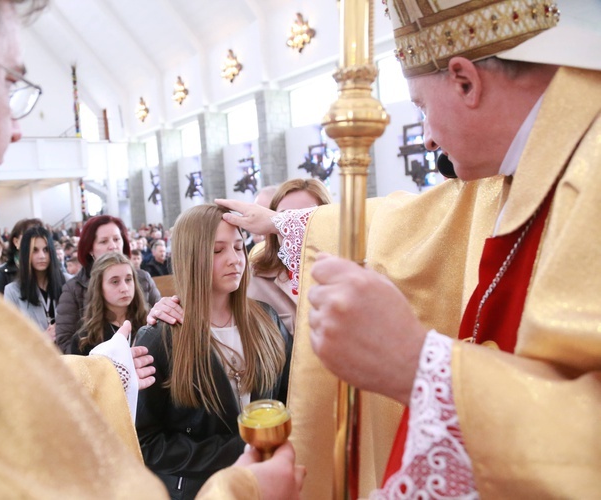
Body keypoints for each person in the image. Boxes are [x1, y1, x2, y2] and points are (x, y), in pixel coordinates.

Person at [0, 1, 304, 497]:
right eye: (9, 83)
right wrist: (238, 487)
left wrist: (109, 372)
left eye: (238, 246)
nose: (18, 127)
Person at [214, 0, 601, 497]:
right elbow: (410, 218)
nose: (428, 135)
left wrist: (417, 364)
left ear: (465, 81)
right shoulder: (531, 162)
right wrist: (280, 223)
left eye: (419, 106)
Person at [135, 204, 293, 500]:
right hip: (202, 490)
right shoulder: (161, 337)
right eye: (218, 251)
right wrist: (239, 448)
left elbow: (288, 395)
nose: (234, 260)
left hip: (265, 483)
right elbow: (146, 441)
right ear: (191, 256)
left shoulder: (267, 319)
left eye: (238, 247)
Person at [55, 215, 161, 353]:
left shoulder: (143, 278)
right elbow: (66, 344)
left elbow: (159, 320)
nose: (113, 246)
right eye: (104, 241)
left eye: (117, 239)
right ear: (90, 249)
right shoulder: (74, 288)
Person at [247, 179, 332, 335]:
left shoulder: (351, 271)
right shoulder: (254, 278)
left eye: (306, 217)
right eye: (286, 218)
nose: (293, 228)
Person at [69, 252, 148, 355]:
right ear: (99, 287)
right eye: (115, 282)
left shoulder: (148, 323)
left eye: (128, 279)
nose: (124, 288)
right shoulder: (85, 339)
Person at [4, 226, 65, 342]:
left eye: (46, 250)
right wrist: (42, 339)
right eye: (35, 250)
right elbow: (11, 337)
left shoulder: (68, 283)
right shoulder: (12, 291)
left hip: (69, 356)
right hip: (35, 356)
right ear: (26, 254)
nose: (42, 256)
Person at [0, 217, 42, 294]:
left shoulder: (53, 267)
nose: (35, 241)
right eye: (29, 237)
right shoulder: (3, 273)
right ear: (16, 242)